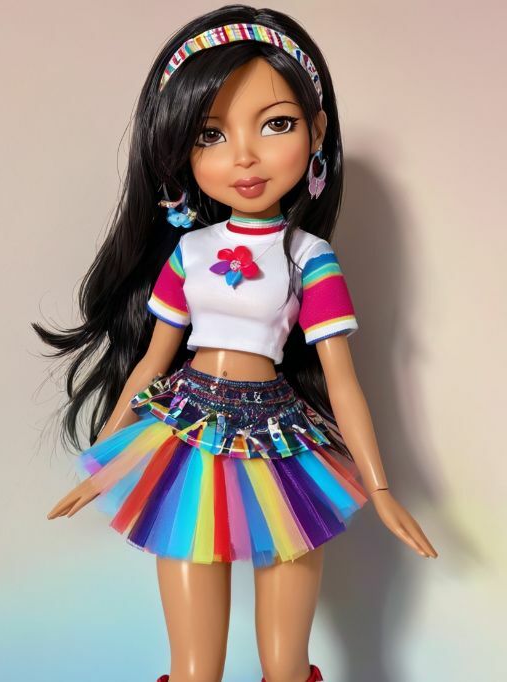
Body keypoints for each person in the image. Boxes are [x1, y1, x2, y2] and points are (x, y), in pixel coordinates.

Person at [36, 5, 438, 682]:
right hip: (186, 437)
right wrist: (104, 457)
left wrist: (381, 485)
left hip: (282, 443)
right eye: (211, 135)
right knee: (195, 668)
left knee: (285, 664)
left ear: (316, 131)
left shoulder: (309, 257)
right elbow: (153, 361)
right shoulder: (191, 252)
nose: (243, 156)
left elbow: (342, 379)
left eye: (275, 123)